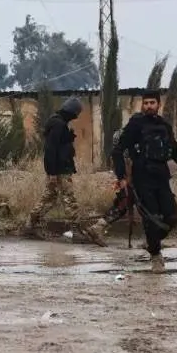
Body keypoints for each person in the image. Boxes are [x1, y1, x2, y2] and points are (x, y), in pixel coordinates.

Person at [112, 90, 177, 273]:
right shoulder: (136, 124)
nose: (148, 106)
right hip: (141, 177)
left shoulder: (164, 126)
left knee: (171, 217)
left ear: (158, 105)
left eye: (152, 103)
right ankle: (156, 257)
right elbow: (118, 150)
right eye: (145, 103)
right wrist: (121, 177)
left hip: (161, 177)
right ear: (142, 105)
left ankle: (152, 242)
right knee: (151, 217)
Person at [24, 97, 108, 247]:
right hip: (59, 169)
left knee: (49, 197)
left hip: (60, 168)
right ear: (71, 112)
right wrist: (52, 173)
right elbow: (51, 150)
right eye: (76, 113)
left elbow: (60, 146)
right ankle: (76, 231)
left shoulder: (59, 123)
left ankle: (31, 225)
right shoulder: (58, 124)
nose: (76, 117)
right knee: (70, 200)